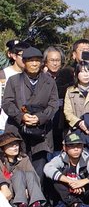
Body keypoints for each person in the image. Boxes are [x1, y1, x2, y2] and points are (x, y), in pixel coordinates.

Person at [1, 47, 62, 177]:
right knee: (16, 172)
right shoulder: (14, 80)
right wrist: (21, 116)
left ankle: (38, 197)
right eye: (30, 60)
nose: (34, 64)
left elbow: (54, 104)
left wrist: (40, 118)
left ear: (41, 63)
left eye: (37, 60)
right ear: (24, 62)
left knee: (38, 172)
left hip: (41, 132)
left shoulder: (49, 81)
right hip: (17, 130)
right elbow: (7, 103)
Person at [43, 130, 89, 207]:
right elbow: (47, 168)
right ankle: (76, 205)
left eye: (79, 145)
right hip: (67, 191)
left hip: (83, 192)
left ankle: (66, 204)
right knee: (55, 175)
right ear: (65, 148)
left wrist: (84, 181)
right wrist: (70, 181)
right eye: (72, 146)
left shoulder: (87, 158)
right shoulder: (60, 158)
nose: (76, 149)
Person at [1, 130, 49, 207]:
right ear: (3, 148)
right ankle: (21, 205)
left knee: (30, 174)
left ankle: (36, 205)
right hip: (9, 191)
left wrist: (26, 188)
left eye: (16, 144)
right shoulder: (1, 161)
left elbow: (33, 176)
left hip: (26, 191)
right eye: (11, 145)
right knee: (18, 174)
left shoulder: (23, 158)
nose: (15, 147)